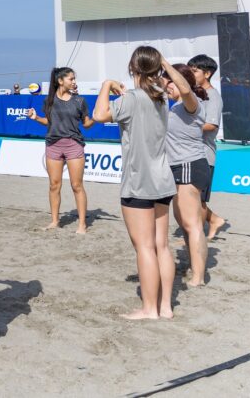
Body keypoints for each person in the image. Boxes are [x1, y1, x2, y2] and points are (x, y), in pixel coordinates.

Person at [93, 46, 180, 320]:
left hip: (139, 180)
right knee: (162, 246)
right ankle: (165, 306)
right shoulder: (163, 98)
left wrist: (106, 85)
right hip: (162, 178)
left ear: (133, 69)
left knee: (144, 247)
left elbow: (98, 115)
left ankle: (149, 308)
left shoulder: (132, 98)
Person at [27, 67, 94, 233]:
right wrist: (36, 118)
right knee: (53, 185)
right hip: (53, 145)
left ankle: (81, 225)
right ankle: (55, 221)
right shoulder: (48, 101)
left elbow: (86, 124)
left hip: (73, 144)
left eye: (74, 79)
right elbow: (49, 122)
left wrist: (97, 118)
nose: (74, 82)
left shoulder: (79, 101)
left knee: (76, 185)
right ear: (60, 80)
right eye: (71, 79)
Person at [162, 64, 209, 286]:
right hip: (176, 166)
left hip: (189, 164)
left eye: (169, 82)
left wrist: (163, 62)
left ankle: (198, 277)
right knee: (184, 224)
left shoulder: (192, 104)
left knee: (192, 224)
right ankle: (193, 267)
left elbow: (186, 90)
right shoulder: (173, 108)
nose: (167, 86)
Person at [187, 54, 227, 239]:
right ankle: (213, 220)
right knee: (192, 199)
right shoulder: (194, 94)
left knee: (197, 200)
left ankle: (198, 237)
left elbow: (212, 125)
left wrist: (183, 128)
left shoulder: (213, 97)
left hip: (204, 155)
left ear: (208, 74)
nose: (190, 73)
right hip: (189, 153)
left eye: (194, 71)